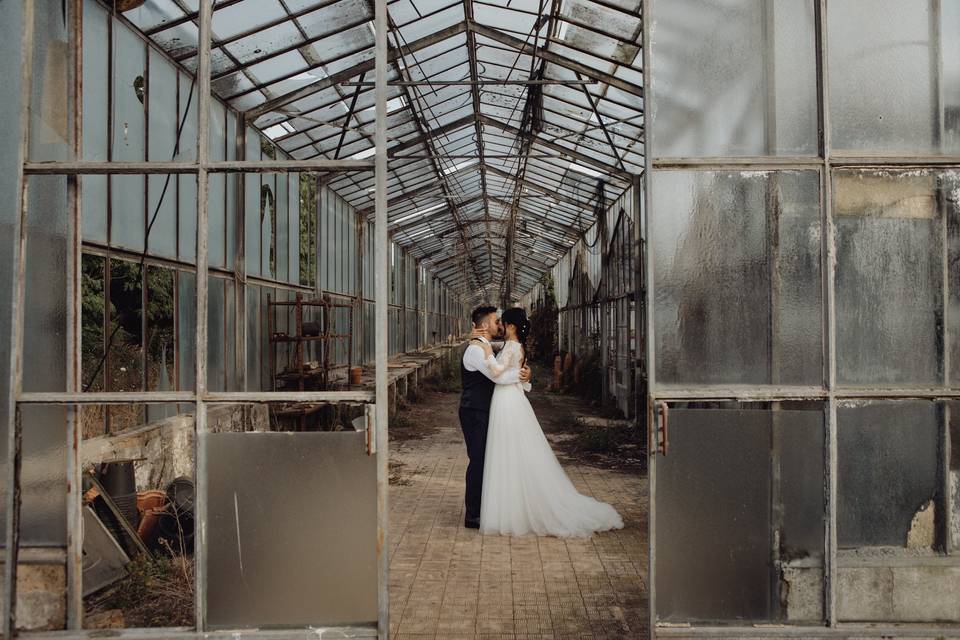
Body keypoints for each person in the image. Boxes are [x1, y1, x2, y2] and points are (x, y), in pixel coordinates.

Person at [477, 307, 624, 537]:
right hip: (512, 398)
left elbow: (496, 371)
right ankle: (516, 506)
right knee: (515, 450)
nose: (501, 327)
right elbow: (512, 366)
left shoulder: (511, 346)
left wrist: (486, 351)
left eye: (503, 323)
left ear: (511, 326)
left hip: (507, 401)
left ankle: (511, 509)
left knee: (508, 449)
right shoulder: (517, 346)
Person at [459, 305, 531, 529]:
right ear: (484, 325)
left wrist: (526, 372)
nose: (499, 324)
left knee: (486, 459)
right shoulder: (476, 350)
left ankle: (484, 507)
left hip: (483, 409)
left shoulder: (485, 345)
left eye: (501, 321)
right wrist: (520, 376)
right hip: (475, 411)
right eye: (495, 321)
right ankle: (473, 514)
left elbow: (510, 350)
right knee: (479, 460)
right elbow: (497, 376)